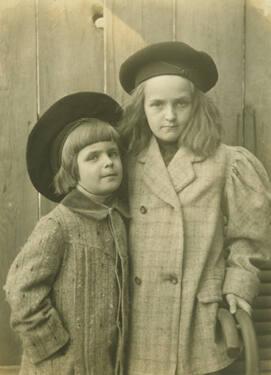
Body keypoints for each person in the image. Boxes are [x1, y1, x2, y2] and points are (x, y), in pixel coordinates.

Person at [118, 41, 271, 375]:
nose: (169, 116)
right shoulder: (124, 165)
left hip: (200, 323)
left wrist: (238, 287)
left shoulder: (228, 162)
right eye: (157, 104)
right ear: (141, 107)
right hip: (138, 324)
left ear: (197, 106)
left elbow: (250, 240)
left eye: (181, 104)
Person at [4, 92, 129, 375]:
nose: (108, 162)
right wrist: (54, 349)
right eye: (93, 157)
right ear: (72, 171)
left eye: (113, 153)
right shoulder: (58, 226)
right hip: (60, 366)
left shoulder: (118, 220)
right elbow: (21, 290)